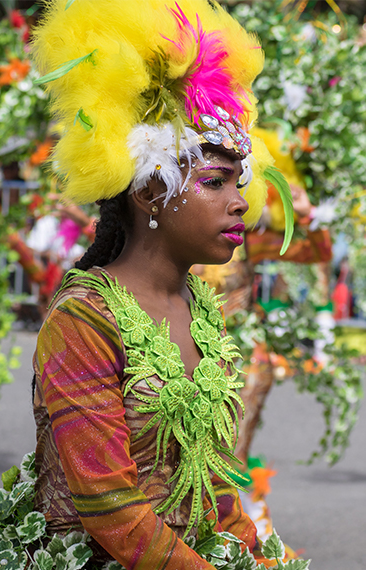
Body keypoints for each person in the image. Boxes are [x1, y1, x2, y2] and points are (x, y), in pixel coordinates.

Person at [30, 1, 294, 568]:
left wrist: (248, 551)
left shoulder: (201, 303)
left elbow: (216, 475)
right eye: (215, 182)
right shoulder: (84, 318)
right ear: (152, 193)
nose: (240, 203)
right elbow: (109, 507)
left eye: (239, 182)